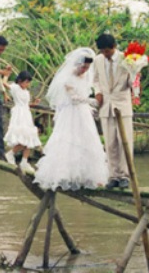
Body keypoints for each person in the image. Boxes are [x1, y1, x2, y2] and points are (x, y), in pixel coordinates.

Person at [34, 48, 109, 191]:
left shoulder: (86, 77)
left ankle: (88, 176)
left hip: (83, 113)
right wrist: (93, 101)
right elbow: (74, 98)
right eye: (83, 67)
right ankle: (64, 175)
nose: (85, 70)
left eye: (88, 67)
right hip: (71, 112)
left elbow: (86, 91)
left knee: (87, 140)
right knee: (68, 140)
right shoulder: (68, 78)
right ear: (78, 63)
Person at [93, 33, 134, 189]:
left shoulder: (127, 58)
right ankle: (113, 175)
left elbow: (132, 82)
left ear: (114, 47)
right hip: (106, 105)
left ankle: (125, 175)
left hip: (122, 105)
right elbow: (95, 80)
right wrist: (97, 92)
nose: (105, 54)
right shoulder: (98, 60)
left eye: (107, 51)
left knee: (125, 141)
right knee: (110, 143)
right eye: (102, 51)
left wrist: (135, 73)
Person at [3, 71, 41, 173]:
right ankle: (10, 154)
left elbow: (26, 104)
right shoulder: (15, 88)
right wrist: (6, 75)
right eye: (26, 82)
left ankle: (24, 161)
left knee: (30, 138)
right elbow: (4, 84)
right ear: (20, 81)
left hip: (26, 114)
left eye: (29, 83)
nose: (27, 84)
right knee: (23, 138)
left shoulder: (26, 92)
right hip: (19, 114)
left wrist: (34, 103)